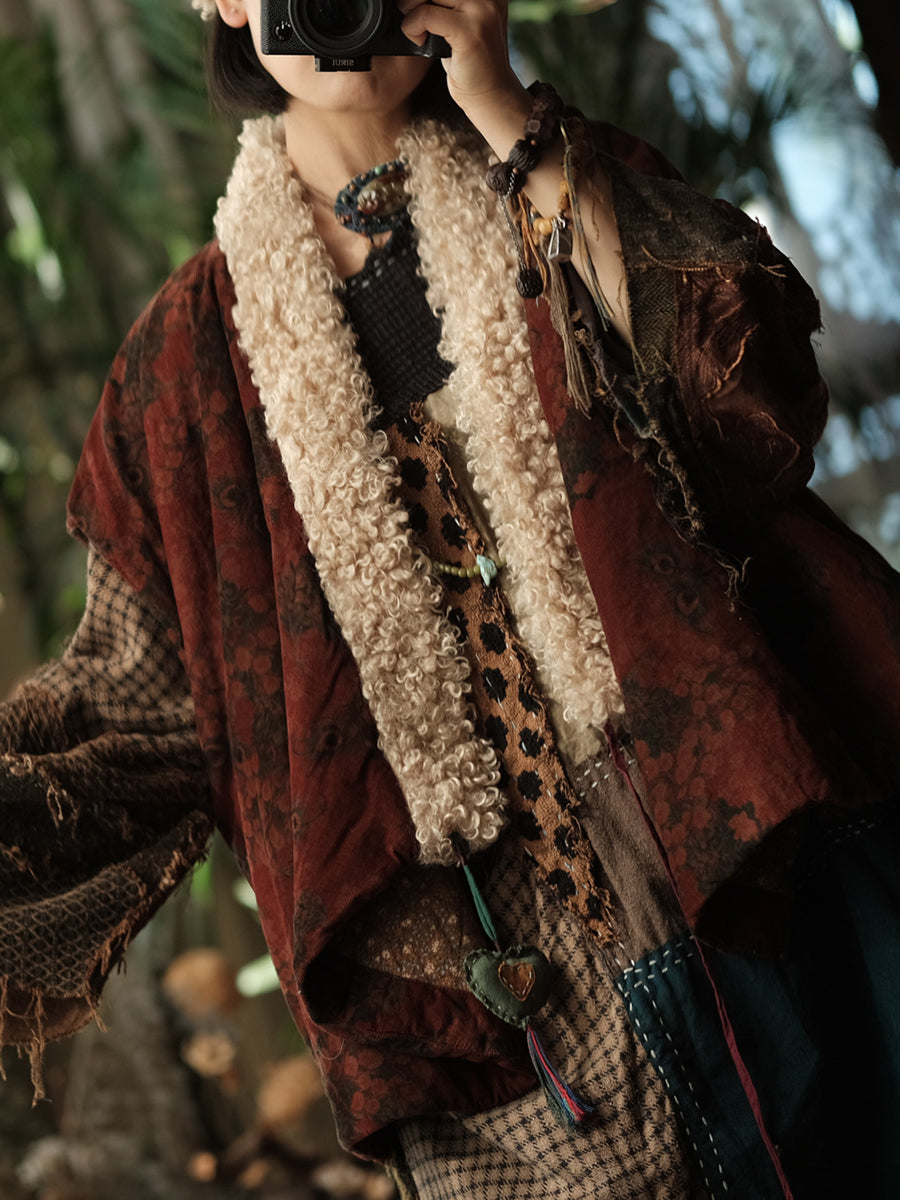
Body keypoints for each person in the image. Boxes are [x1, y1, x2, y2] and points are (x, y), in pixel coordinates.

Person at [1, 0, 899, 1197]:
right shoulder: (181, 380)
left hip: (753, 882)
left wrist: (508, 115)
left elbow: (753, 402)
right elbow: (129, 715)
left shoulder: (563, 166)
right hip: (499, 1031)